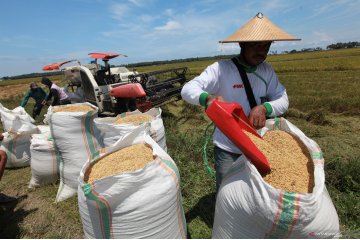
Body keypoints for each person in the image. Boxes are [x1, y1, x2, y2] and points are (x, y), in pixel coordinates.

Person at [181, 12, 301, 191]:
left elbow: (283, 99)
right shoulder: (221, 69)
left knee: (257, 190)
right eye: (255, 45)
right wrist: (207, 98)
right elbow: (187, 89)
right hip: (227, 145)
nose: (261, 50)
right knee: (226, 190)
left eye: (266, 45)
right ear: (242, 44)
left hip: (258, 145)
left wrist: (265, 108)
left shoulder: (267, 71)